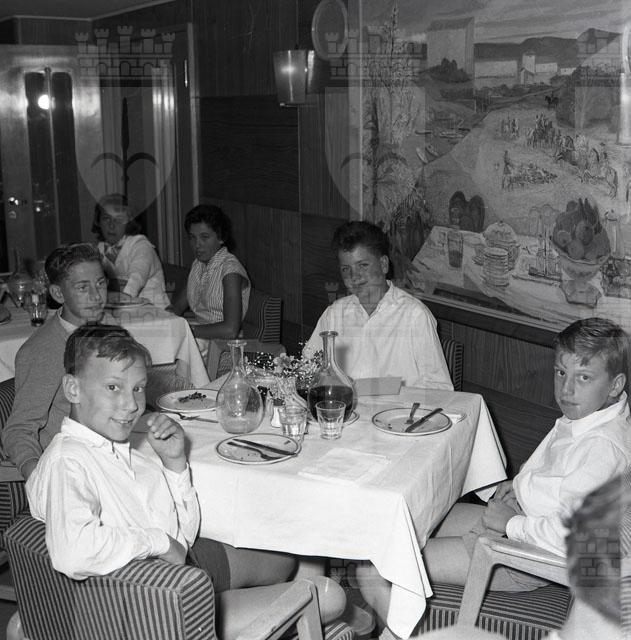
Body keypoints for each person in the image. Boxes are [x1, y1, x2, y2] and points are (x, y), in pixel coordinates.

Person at [26, 325, 345, 638]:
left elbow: (182, 536)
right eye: (113, 387)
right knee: (329, 596)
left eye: (138, 388)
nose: (132, 405)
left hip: (173, 581)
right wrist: (159, 542)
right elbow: (73, 552)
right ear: (73, 389)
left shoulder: (115, 450)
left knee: (288, 552)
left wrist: (174, 464)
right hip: (155, 614)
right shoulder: (68, 461)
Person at [357, 317, 631, 633]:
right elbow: (563, 481)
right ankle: (372, 617)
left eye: (584, 377)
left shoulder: (602, 449)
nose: (567, 389)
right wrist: (521, 486)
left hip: (521, 556)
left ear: (615, 385)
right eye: (560, 372)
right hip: (522, 521)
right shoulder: (595, 416)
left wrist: (510, 524)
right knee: (410, 516)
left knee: (373, 569)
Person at [302, 220, 452, 390]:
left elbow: (440, 387)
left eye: (363, 265)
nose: (354, 276)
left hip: (399, 407)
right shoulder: (334, 314)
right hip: (343, 407)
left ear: (383, 265)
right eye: (346, 269)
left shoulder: (414, 316)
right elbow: (308, 371)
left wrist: (369, 388)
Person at [2, 243, 107, 481]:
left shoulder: (104, 327)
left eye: (100, 283)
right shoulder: (44, 350)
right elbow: (19, 429)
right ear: (58, 294)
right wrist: (39, 478)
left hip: (108, 450)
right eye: (83, 287)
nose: (96, 295)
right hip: (75, 468)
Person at [170, 204, 250, 341]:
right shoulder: (198, 264)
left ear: (221, 238)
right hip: (200, 336)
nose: (197, 244)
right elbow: (177, 307)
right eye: (192, 237)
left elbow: (230, 330)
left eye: (204, 237)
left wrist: (186, 330)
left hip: (222, 344)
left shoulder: (230, 271)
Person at [93, 194, 170, 309]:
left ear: (129, 222)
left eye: (119, 220)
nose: (111, 225)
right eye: (106, 218)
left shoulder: (141, 246)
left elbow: (136, 280)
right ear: (98, 221)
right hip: (120, 309)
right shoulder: (100, 248)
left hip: (153, 311)